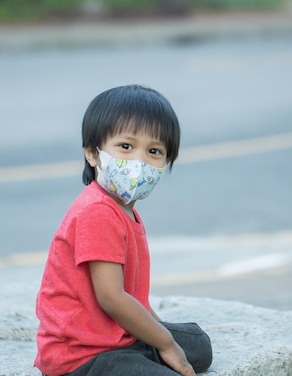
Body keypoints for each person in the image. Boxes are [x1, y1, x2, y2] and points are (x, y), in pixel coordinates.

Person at [34, 85, 212, 376]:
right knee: (173, 352)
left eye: (154, 151)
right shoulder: (98, 211)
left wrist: (157, 332)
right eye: (126, 147)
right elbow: (112, 298)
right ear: (93, 153)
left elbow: (133, 296)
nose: (139, 162)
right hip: (83, 354)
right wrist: (165, 344)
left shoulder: (124, 208)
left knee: (199, 346)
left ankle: (141, 350)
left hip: (113, 334)